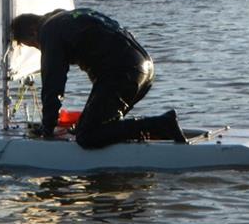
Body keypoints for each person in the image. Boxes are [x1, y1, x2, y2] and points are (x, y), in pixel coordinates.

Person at [10, 8, 188, 149]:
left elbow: (53, 83)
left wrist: (47, 128)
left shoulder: (48, 31)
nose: (38, 49)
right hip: (145, 67)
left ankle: (161, 124)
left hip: (122, 72)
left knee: (87, 135)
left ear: (33, 32)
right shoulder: (66, 18)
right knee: (101, 127)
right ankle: (159, 134)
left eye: (32, 45)